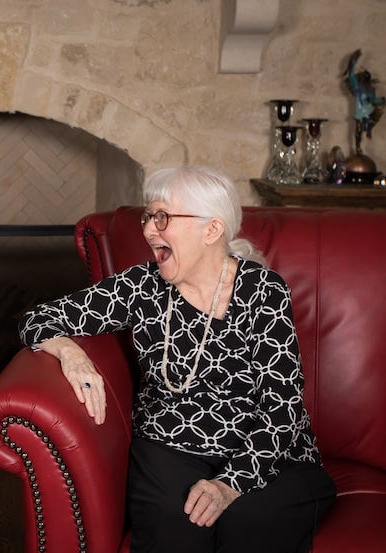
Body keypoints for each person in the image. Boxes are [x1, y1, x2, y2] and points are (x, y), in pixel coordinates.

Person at [19, 166, 336, 553]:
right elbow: (37, 317)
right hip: (169, 443)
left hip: (268, 450)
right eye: (148, 216)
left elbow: (283, 402)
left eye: (163, 217)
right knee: (179, 522)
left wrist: (230, 482)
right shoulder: (140, 286)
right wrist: (70, 352)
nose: (150, 229)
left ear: (211, 230)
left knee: (252, 520)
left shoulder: (263, 291)